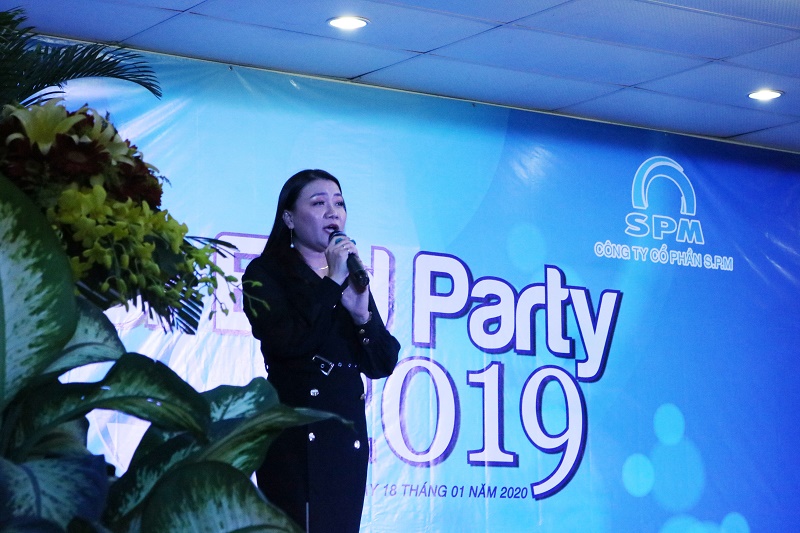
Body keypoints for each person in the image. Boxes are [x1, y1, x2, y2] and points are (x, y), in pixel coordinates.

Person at [242, 169, 400, 532]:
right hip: (294, 432)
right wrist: (331, 283)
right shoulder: (265, 272)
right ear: (289, 218)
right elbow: (289, 342)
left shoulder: (349, 274)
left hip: (344, 435)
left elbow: (382, 362)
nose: (333, 212)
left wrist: (362, 316)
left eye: (339, 203)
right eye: (318, 203)